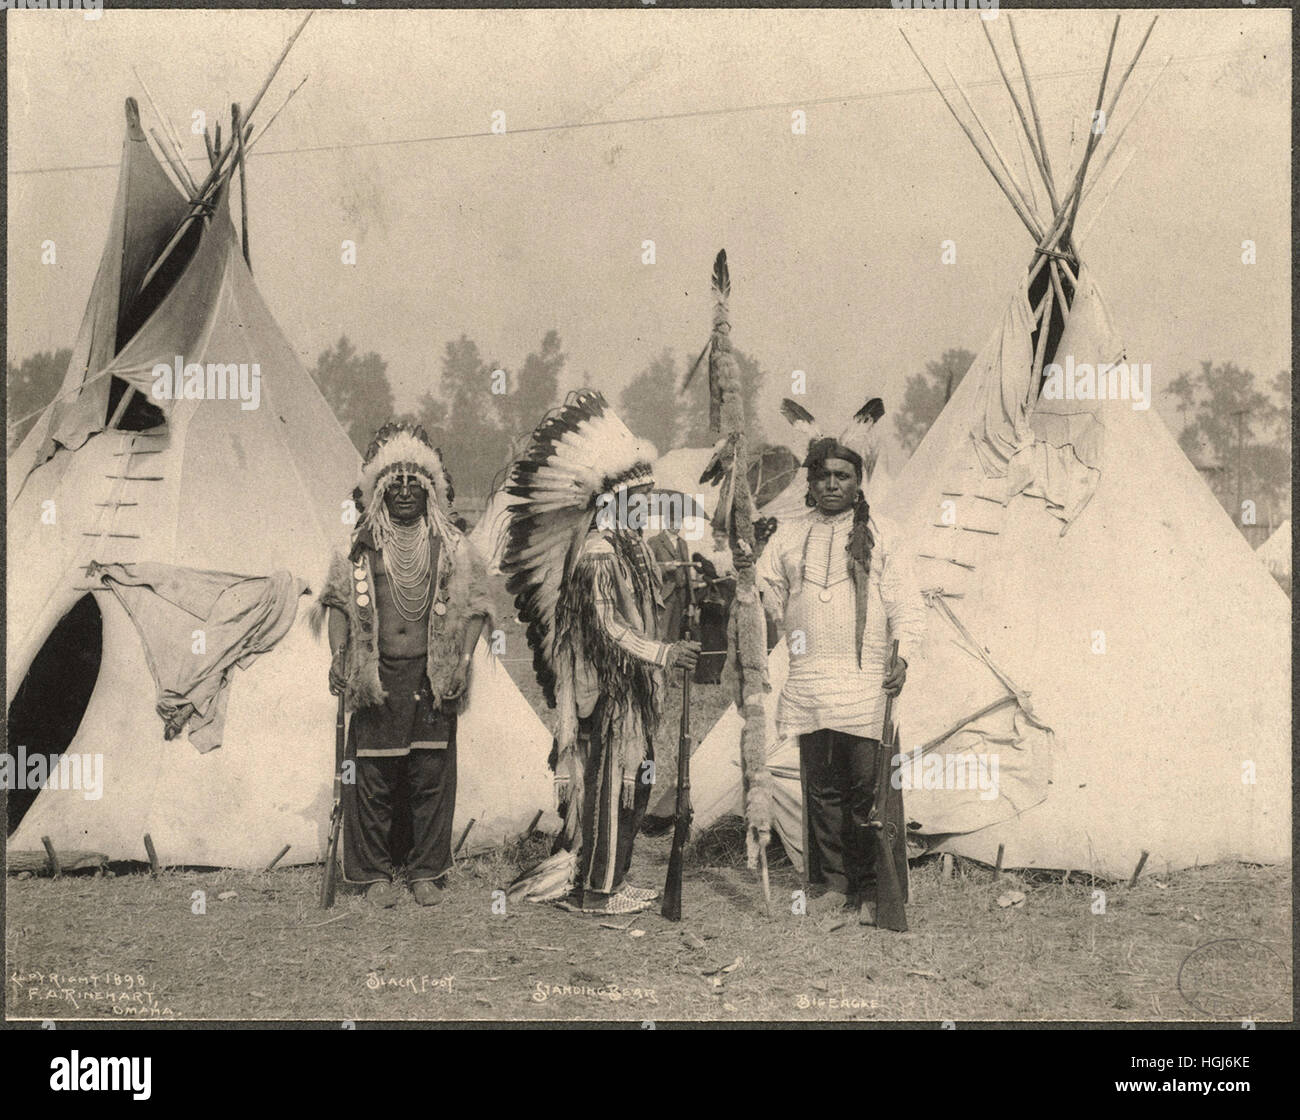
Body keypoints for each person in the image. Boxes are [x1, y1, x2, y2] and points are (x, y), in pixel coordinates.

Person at [501, 391, 700, 915]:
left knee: (634, 777)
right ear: (610, 502)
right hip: (603, 691)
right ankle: (596, 889)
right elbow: (608, 627)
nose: (645, 506)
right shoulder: (596, 553)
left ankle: (612, 876)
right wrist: (662, 655)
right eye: (637, 498)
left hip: (626, 689)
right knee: (613, 782)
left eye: (648, 497)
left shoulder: (629, 546)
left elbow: (639, 613)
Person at [756, 397, 924, 925]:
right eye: (823, 475)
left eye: (843, 475)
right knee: (821, 791)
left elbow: (907, 606)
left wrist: (905, 659)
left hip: (865, 681)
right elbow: (767, 589)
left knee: (864, 792)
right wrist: (759, 591)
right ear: (810, 481)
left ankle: (872, 890)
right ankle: (830, 884)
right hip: (808, 680)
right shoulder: (787, 533)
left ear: (859, 482)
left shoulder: (885, 534)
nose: (832, 484)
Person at [320, 422, 491, 908]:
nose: (405, 495)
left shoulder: (452, 544)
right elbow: (337, 604)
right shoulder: (359, 545)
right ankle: (373, 874)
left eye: (415, 486)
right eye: (394, 487)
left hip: (429, 677)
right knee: (371, 776)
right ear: (378, 494)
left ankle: (425, 872)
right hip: (376, 678)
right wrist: (339, 655)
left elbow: (478, 605)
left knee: (428, 772)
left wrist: (461, 661)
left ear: (430, 491)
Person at [648, 507, 695, 644]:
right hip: (664, 595)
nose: (676, 525)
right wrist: (665, 568)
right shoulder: (655, 541)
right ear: (666, 521)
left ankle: (672, 664)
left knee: (675, 635)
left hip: (681, 595)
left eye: (679, 521)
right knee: (661, 634)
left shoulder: (683, 543)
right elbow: (650, 568)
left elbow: (688, 572)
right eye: (673, 521)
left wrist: (691, 600)